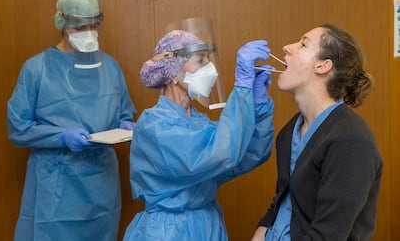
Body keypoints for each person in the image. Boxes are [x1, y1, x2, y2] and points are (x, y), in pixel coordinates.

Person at [123, 20, 275, 240]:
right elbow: (218, 152)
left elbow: (246, 154)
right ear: (174, 72)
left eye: (208, 60)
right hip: (168, 232)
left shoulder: (198, 122)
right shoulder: (154, 125)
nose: (209, 68)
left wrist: (258, 107)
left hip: (207, 226)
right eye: (200, 61)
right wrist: (241, 89)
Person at [7, 0, 136, 241]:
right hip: (56, 187)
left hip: (101, 182)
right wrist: (60, 137)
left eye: (92, 25)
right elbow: (18, 128)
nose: (88, 33)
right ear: (61, 22)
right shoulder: (37, 69)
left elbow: (124, 109)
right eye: (79, 27)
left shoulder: (109, 66)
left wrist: (125, 124)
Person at [252, 24, 383, 241]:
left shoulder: (351, 141)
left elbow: (328, 235)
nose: (287, 47)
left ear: (323, 65)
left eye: (303, 44)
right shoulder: (289, 132)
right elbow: (282, 204)